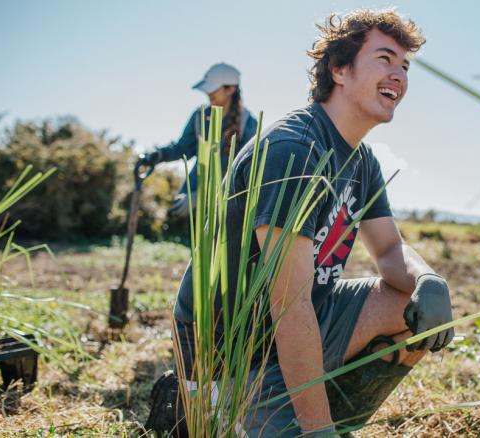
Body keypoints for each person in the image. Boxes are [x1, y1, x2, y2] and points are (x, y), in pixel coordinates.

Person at [164, 9, 454, 437]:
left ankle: (332, 422)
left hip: (297, 330)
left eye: (405, 66)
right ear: (339, 69)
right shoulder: (292, 150)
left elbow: (390, 252)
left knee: (406, 306)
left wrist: (428, 278)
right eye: (385, 59)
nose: (399, 75)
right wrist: (314, 429)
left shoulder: (362, 160)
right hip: (232, 353)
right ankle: (222, 411)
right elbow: (289, 305)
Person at [136, 62, 258, 218]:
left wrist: (201, 198)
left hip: (227, 208)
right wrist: (158, 155)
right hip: (192, 199)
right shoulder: (200, 117)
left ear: (230, 89)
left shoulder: (248, 124)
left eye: (214, 88)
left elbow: (244, 173)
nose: (209, 93)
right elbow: (182, 148)